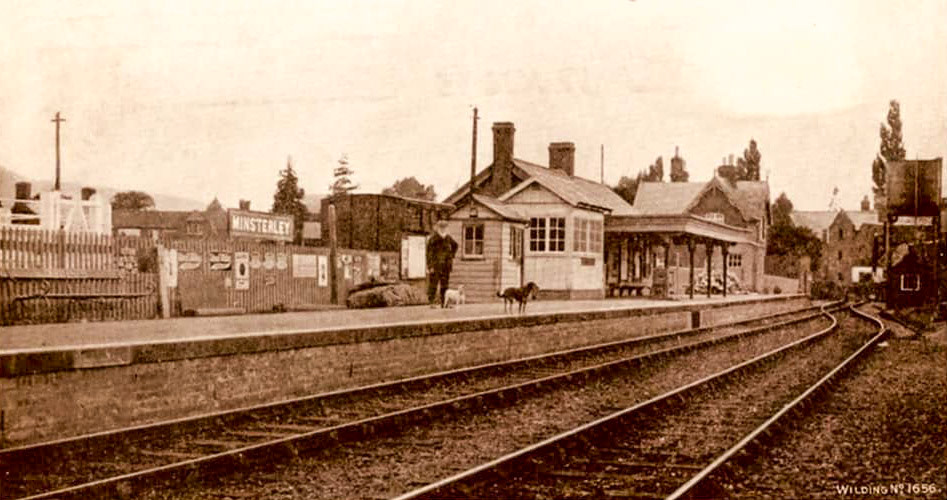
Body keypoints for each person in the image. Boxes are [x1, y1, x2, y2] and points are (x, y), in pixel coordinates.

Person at [426, 219, 458, 307]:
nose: (443, 229)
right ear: (438, 228)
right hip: (435, 265)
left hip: (446, 266)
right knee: (433, 284)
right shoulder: (433, 239)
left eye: (445, 227)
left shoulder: (448, 238)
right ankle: (431, 302)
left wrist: (451, 255)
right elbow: (429, 253)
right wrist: (430, 266)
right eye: (441, 227)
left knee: (445, 285)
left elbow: (455, 245)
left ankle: (444, 303)